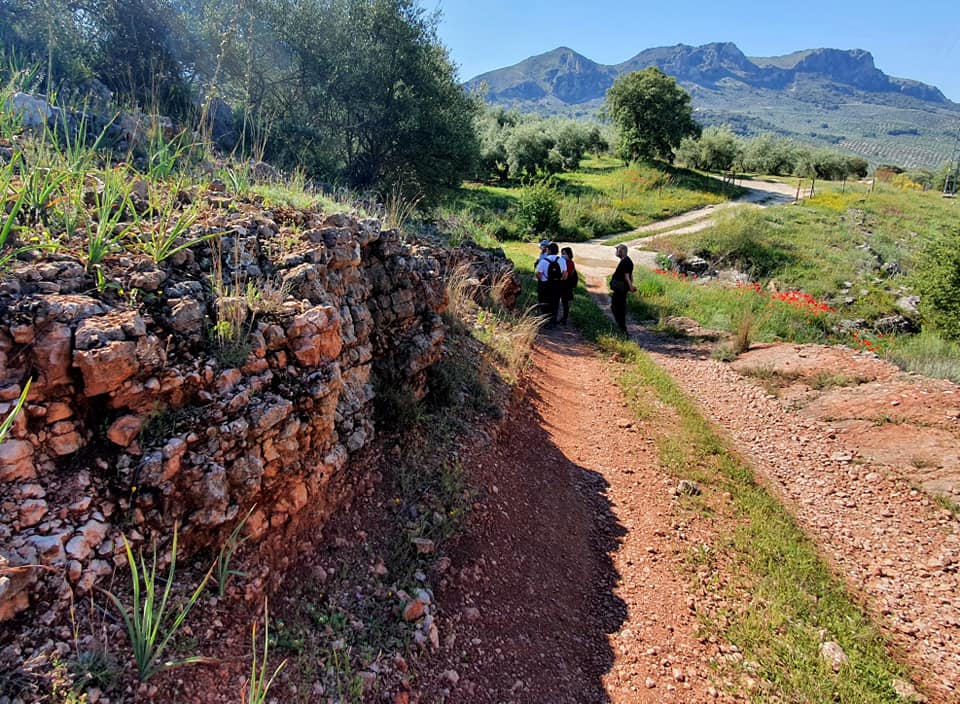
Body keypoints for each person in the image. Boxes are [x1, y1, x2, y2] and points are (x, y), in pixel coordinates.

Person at [535, 241, 567, 325]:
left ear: (548, 250)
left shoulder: (543, 261)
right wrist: (559, 280)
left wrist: (542, 281)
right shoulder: (562, 261)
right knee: (555, 303)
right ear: (557, 251)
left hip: (545, 285)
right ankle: (553, 321)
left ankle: (544, 321)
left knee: (544, 302)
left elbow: (538, 274)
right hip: (557, 285)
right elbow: (565, 275)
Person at [609, 244, 635, 333]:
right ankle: (621, 326)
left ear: (621, 251)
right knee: (617, 307)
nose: (616, 252)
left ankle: (621, 328)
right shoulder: (625, 261)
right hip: (620, 289)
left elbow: (627, 276)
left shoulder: (626, 262)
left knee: (617, 307)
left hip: (621, 289)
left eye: (617, 250)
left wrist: (631, 287)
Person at [559, 247, 578, 325]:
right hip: (564, 284)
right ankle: (563, 318)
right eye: (562, 253)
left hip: (566, 284)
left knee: (565, 303)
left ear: (569, 254)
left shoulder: (570, 263)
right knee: (563, 302)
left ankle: (564, 319)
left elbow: (567, 273)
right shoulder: (564, 261)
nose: (562, 255)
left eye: (564, 254)